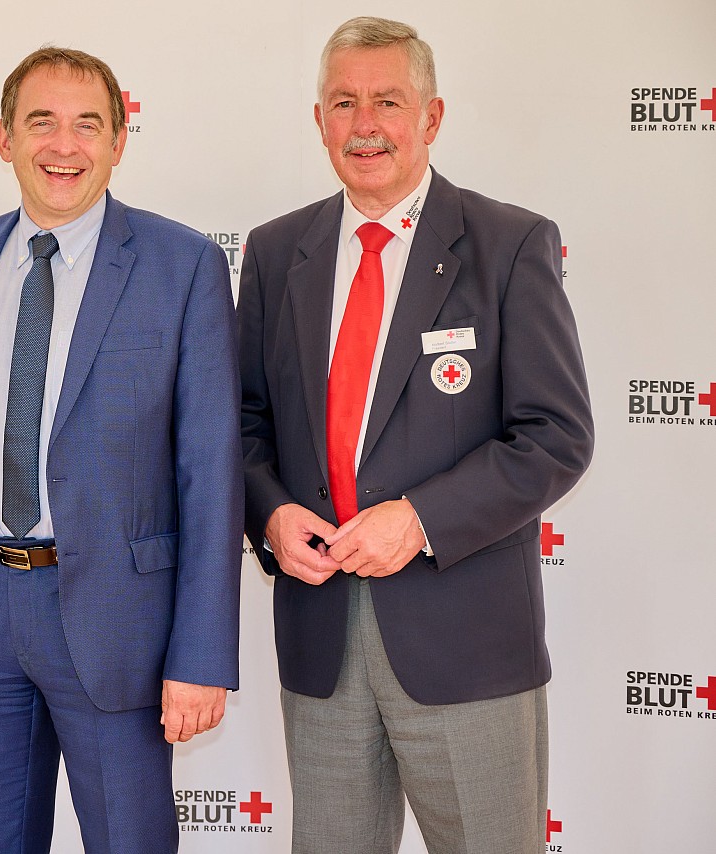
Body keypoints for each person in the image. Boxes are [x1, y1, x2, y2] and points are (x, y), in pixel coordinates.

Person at [0, 46, 243, 854]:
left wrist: (204, 654)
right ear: (4, 137)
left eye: (88, 125)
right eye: (41, 122)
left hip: (120, 621)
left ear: (119, 140)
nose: (63, 147)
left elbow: (211, 476)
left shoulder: (184, 268)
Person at [238, 16, 594, 854]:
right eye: (344, 102)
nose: (365, 124)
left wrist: (422, 518)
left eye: (388, 102)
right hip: (320, 641)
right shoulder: (275, 250)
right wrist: (271, 515)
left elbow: (555, 433)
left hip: (466, 646)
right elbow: (244, 423)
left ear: (431, 119)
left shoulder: (508, 245)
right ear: (318, 119)